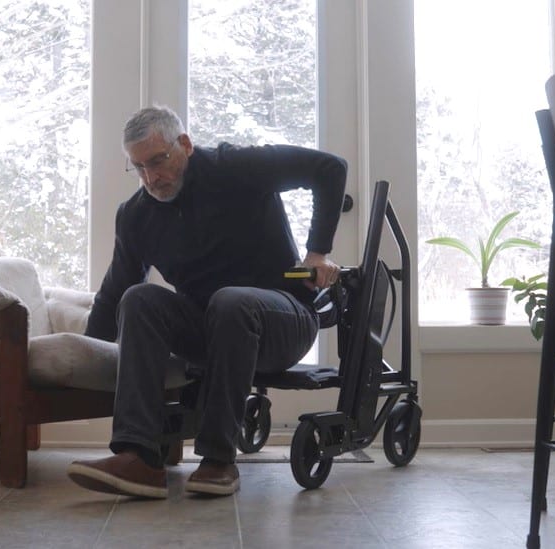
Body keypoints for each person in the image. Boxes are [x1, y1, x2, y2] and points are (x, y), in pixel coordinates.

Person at [67, 106, 346, 499]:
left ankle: (218, 460)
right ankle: (138, 458)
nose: (151, 178)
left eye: (158, 161)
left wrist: (317, 252)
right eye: (139, 167)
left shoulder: (234, 167)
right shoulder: (136, 215)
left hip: (284, 321)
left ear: (185, 144)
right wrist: (83, 359)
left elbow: (329, 168)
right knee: (138, 299)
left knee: (231, 301)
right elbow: (115, 292)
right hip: (208, 331)